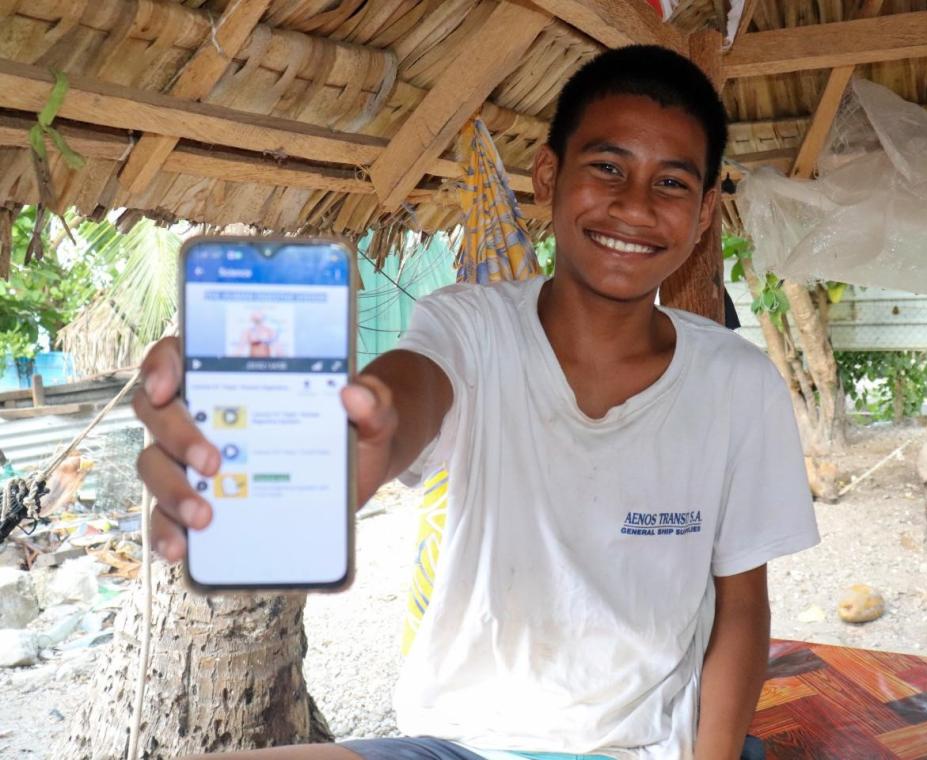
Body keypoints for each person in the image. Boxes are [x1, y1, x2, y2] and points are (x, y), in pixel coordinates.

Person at [134, 45, 819, 760]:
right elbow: (407, 395)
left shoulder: (739, 383)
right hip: (465, 747)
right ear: (550, 175)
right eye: (608, 168)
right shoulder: (471, 326)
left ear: (706, 210)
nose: (635, 206)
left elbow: (741, 606)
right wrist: (348, 443)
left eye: (672, 184)